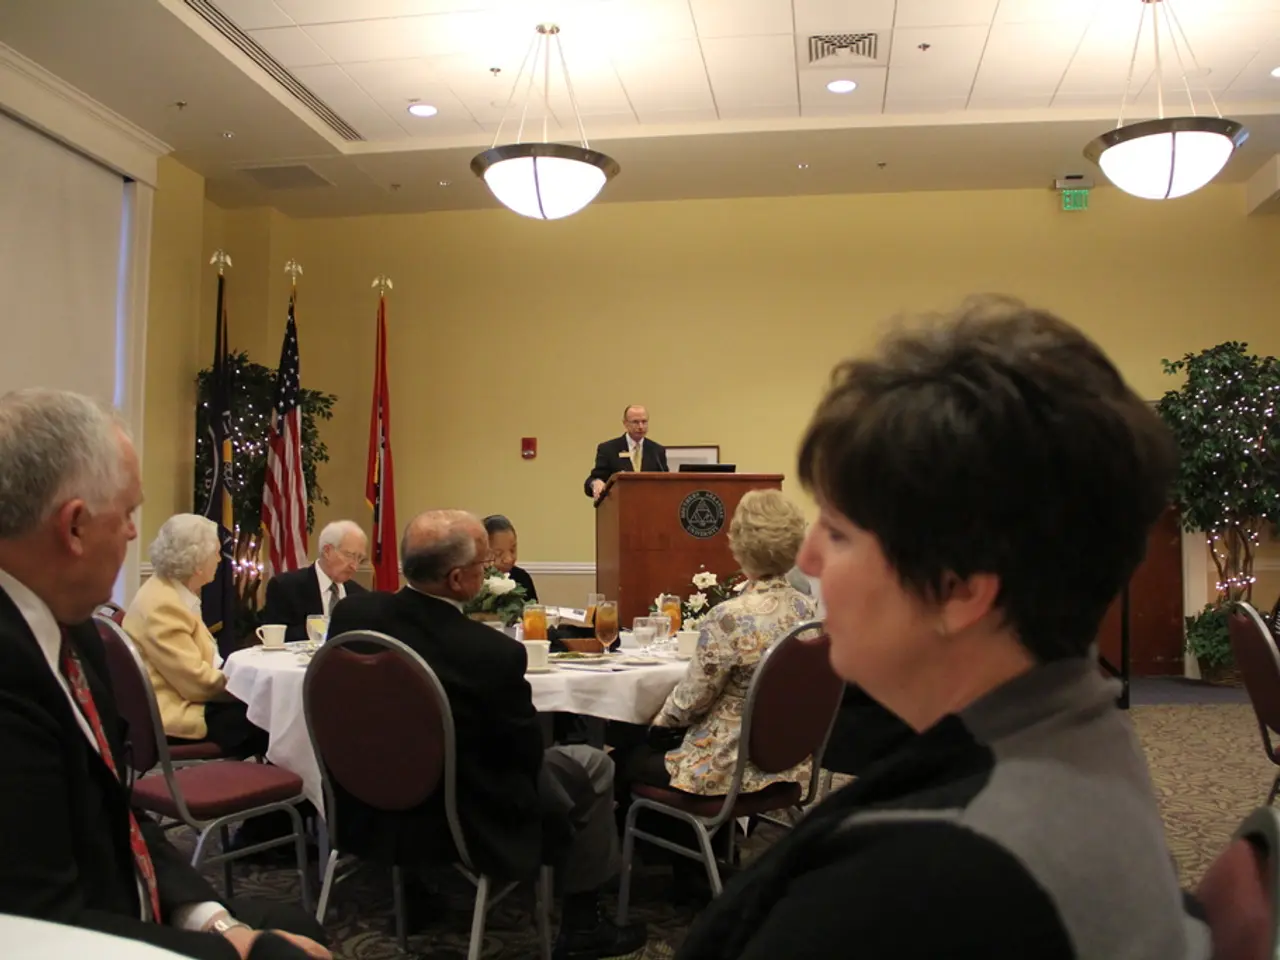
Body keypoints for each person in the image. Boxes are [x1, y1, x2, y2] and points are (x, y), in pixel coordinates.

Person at [675, 297, 1206, 959]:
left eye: (838, 532)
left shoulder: (914, 891)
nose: (807, 558)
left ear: (958, 590)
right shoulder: (1086, 729)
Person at [0, 388, 328, 960]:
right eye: (128, 513)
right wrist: (239, 952)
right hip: (71, 934)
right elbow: (38, 924)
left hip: (122, 901)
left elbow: (117, 812)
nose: (134, 535)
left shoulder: (72, 630)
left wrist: (210, 919)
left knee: (294, 922)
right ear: (74, 526)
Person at [328, 510, 646, 960]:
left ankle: (419, 885)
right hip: (466, 817)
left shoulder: (351, 616)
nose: (491, 570)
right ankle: (583, 924)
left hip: (371, 798)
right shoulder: (491, 654)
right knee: (594, 763)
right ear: (458, 580)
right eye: (483, 564)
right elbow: (524, 760)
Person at [616, 490, 817, 796]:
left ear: (738, 543)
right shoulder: (809, 611)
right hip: (787, 765)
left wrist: (651, 724)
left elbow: (688, 704)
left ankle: (651, 842)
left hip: (723, 770)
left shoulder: (728, 617)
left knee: (625, 753)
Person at [123, 514, 268, 758]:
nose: (220, 560)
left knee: (267, 711)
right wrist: (249, 686)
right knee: (268, 717)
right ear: (197, 561)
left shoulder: (170, 591)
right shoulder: (162, 605)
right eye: (216, 553)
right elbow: (196, 684)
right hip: (176, 714)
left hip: (183, 699)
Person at [259, 519, 368, 642]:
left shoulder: (360, 595)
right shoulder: (285, 587)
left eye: (360, 559)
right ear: (327, 551)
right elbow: (276, 637)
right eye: (350, 555)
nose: (355, 566)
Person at [584, 405, 668, 501]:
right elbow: (592, 480)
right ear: (625, 424)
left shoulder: (657, 450)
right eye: (635, 422)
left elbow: (665, 481)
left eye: (644, 422)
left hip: (651, 506)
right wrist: (595, 483)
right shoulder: (608, 449)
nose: (641, 426)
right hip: (619, 507)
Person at [482, 514, 537, 601]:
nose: (509, 559)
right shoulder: (475, 584)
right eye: (498, 554)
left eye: (512, 550)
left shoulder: (522, 578)